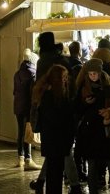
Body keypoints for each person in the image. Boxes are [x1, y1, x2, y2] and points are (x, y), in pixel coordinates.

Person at [75, 58, 110, 194]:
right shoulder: (84, 88)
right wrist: (86, 104)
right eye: (90, 74)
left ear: (100, 72)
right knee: (92, 166)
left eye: (95, 73)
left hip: (108, 131)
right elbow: (77, 109)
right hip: (91, 132)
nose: (93, 76)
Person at [32, 65, 78, 194]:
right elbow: (59, 119)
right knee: (55, 175)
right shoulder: (52, 97)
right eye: (63, 77)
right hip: (57, 140)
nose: (65, 80)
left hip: (53, 141)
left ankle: (42, 183)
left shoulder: (47, 94)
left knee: (54, 173)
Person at [13, 51, 39, 169]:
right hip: (28, 107)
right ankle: (28, 160)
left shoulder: (17, 73)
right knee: (28, 132)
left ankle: (20, 159)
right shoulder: (33, 73)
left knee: (20, 132)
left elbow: (15, 92)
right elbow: (33, 94)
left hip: (18, 106)